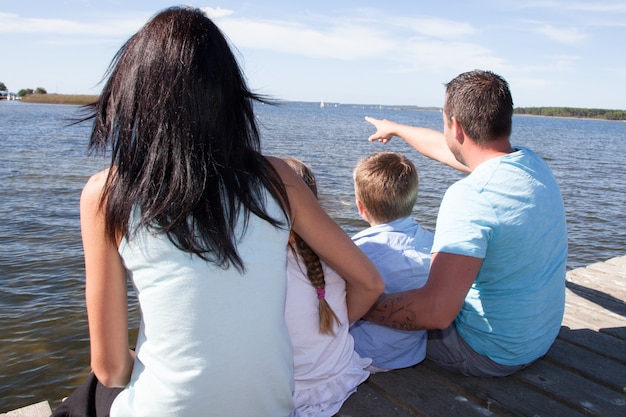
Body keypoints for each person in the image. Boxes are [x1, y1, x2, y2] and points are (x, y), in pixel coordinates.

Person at [51, 7, 384, 417]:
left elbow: (110, 368)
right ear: (229, 97)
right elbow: (369, 280)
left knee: (88, 394)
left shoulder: (105, 193)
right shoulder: (277, 178)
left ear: (134, 92)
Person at [363, 69, 567, 377]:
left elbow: (436, 311)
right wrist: (396, 129)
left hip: (488, 353)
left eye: (444, 119)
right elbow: (448, 149)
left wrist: (360, 306)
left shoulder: (471, 196)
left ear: (455, 125)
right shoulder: (530, 163)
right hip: (536, 339)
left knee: (384, 317)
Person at [282, 157, 372, 417]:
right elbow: (369, 287)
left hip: (294, 392)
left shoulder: (271, 265)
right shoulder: (336, 256)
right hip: (340, 378)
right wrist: (339, 319)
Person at [349, 151, 434, 373]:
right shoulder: (434, 244)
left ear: (361, 207)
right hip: (410, 355)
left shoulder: (356, 251)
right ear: (413, 198)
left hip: (361, 356)